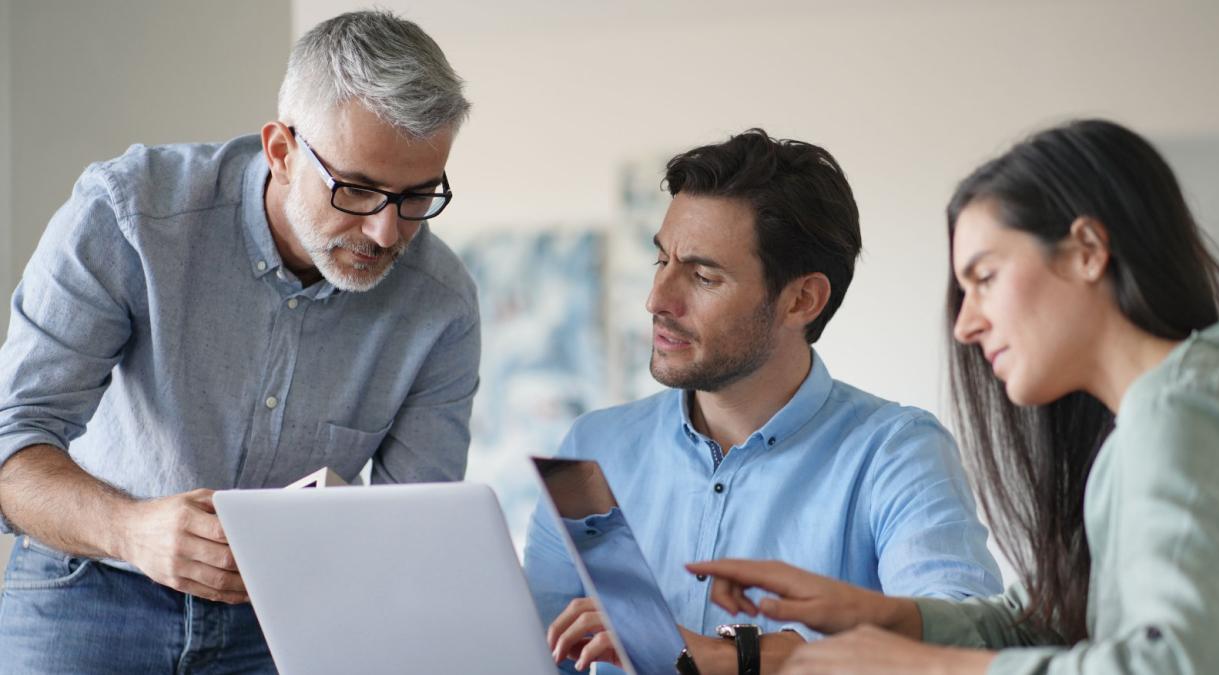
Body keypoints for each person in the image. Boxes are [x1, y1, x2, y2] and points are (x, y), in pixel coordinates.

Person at [690, 119, 1219, 674]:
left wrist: (924, 668)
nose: (966, 325)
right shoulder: (1197, 403)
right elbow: (1054, 619)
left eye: (984, 278)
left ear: (1088, 251)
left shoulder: (1184, 411)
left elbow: (1170, 666)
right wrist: (878, 614)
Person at [0, 10, 479, 673]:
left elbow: (410, 529)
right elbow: (12, 440)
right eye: (359, 190)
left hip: (284, 619)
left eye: (418, 196)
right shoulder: (129, 215)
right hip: (88, 586)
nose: (386, 235)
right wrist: (131, 529)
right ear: (282, 151)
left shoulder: (442, 305)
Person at [524, 129, 1003, 675]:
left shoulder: (896, 453)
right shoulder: (593, 446)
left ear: (802, 299)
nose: (658, 300)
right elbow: (533, 653)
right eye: (662, 262)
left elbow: (961, 649)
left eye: (703, 276)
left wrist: (741, 659)